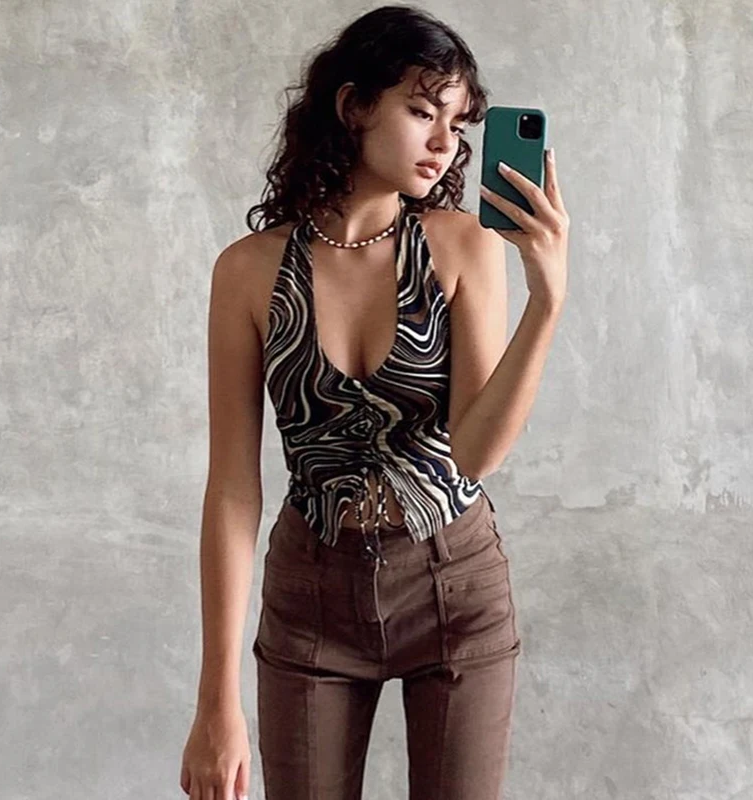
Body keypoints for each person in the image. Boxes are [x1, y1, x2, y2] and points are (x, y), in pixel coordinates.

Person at [180, 4, 569, 799]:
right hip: (311, 598)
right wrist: (216, 698)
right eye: (423, 112)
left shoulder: (462, 244)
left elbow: (475, 453)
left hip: (453, 585)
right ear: (354, 106)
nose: (445, 142)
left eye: (457, 124)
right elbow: (232, 489)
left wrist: (547, 300)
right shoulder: (248, 272)